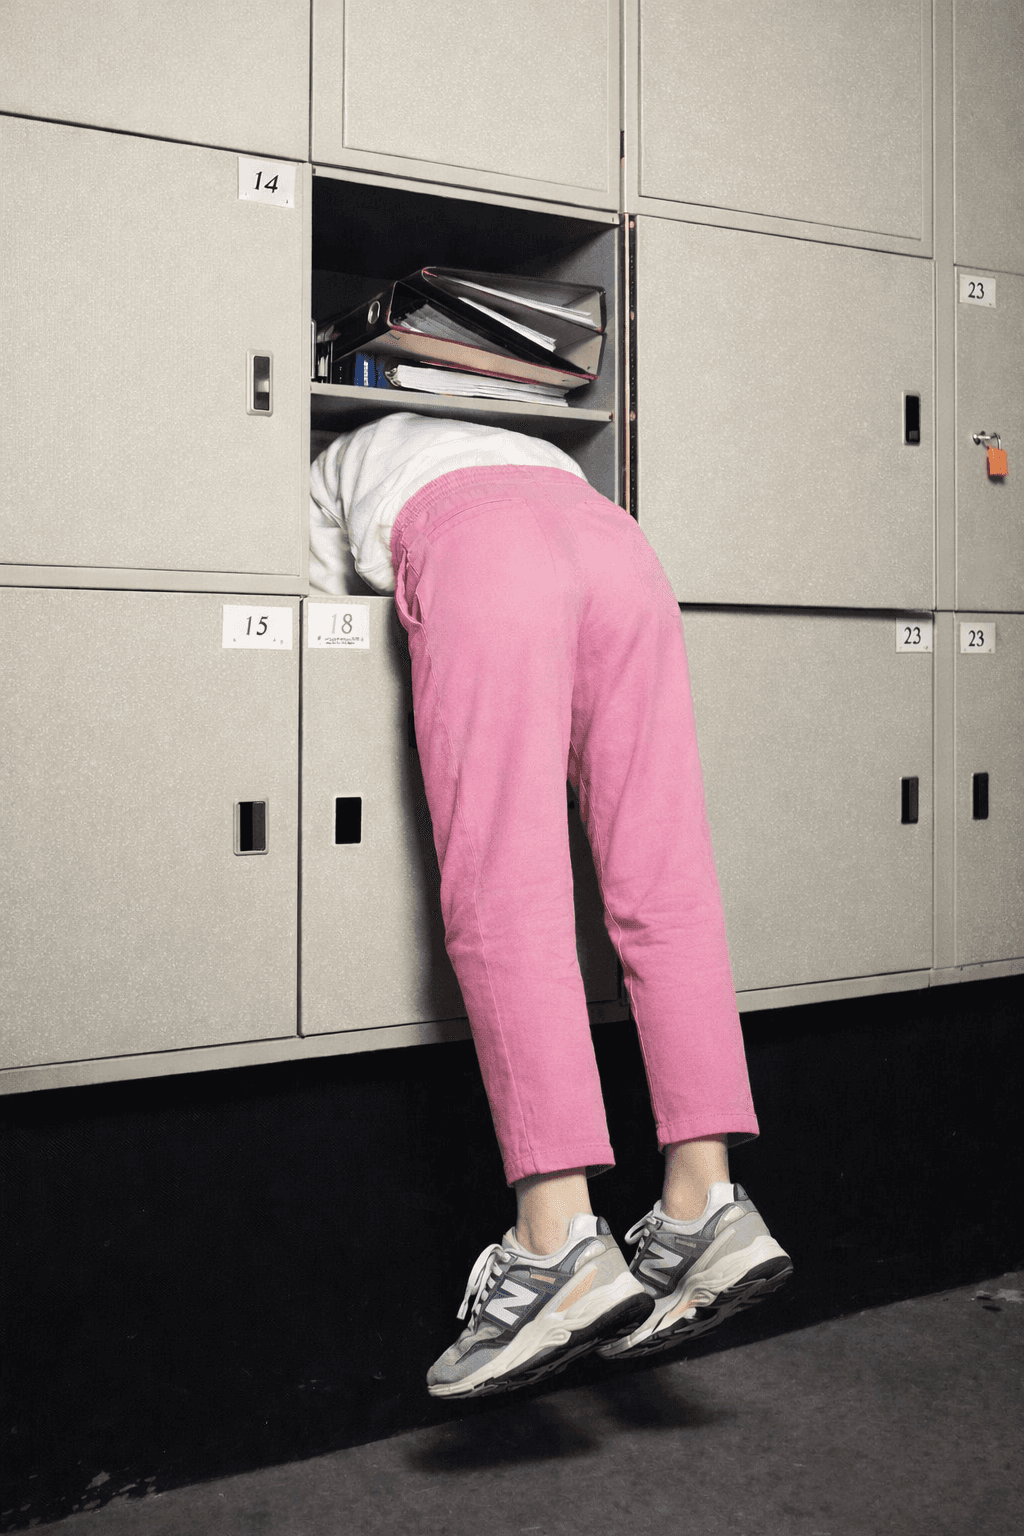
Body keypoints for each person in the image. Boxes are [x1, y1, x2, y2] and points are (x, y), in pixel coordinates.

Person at [310, 411, 792, 1400]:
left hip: (480, 553)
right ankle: (706, 1203)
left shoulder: (326, 467)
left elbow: (328, 636)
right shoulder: (521, 444)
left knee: (507, 892)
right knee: (666, 884)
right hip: (616, 542)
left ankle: (553, 1239)